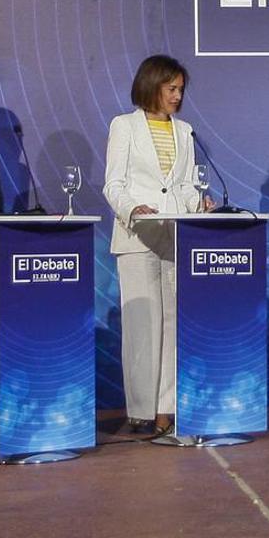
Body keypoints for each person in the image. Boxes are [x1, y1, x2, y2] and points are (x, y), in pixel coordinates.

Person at [101, 55, 213, 438]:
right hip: (136, 236)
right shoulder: (124, 126)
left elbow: (182, 186)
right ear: (152, 86)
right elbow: (113, 184)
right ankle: (141, 410)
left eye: (181, 89)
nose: (178, 96)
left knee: (173, 325)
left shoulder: (185, 131)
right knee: (142, 325)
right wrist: (134, 208)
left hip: (174, 235)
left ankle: (167, 409)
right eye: (171, 89)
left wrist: (200, 202)